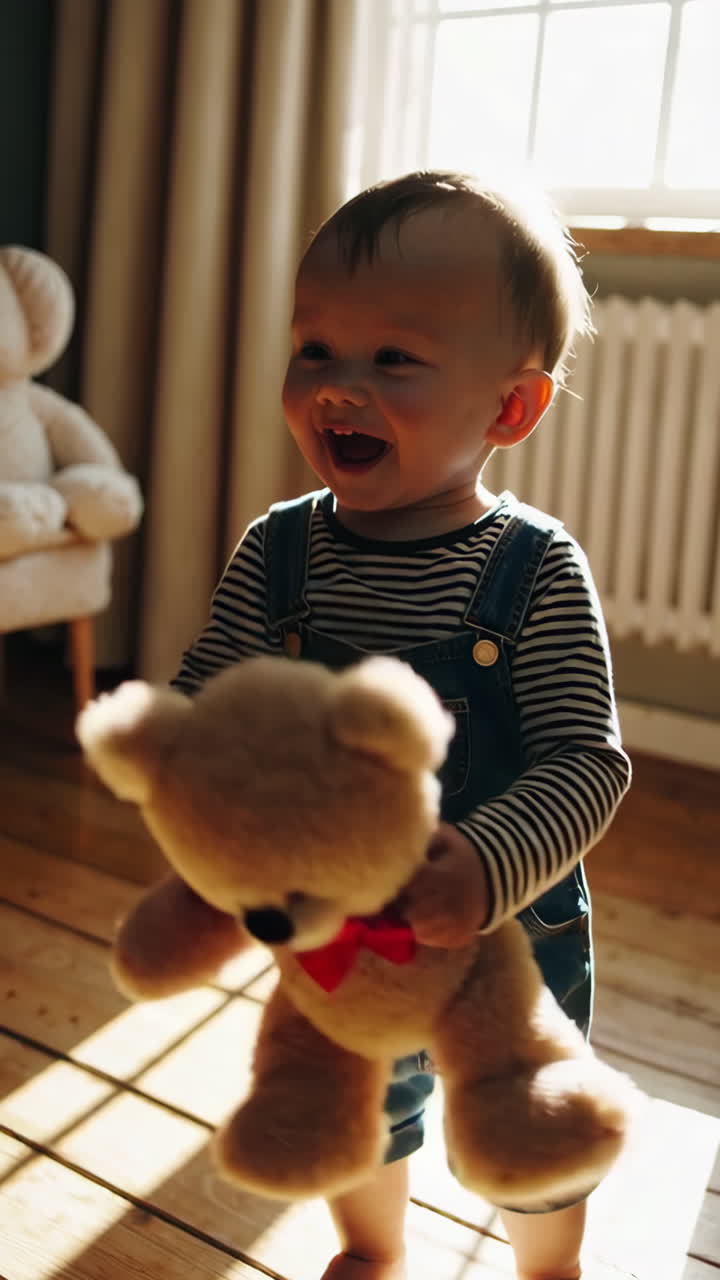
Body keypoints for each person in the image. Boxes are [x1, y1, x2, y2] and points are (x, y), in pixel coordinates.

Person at [173, 170, 631, 1280]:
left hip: (506, 941)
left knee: (524, 1124)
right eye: (315, 348)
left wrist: (487, 861)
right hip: (340, 941)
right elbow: (211, 703)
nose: (339, 386)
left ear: (510, 408)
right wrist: (175, 767)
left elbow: (588, 759)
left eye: (393, 358)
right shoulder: (278, 551)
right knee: (356, 1104)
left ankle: (550, 1265)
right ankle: (372, 1249)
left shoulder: (534, 571)